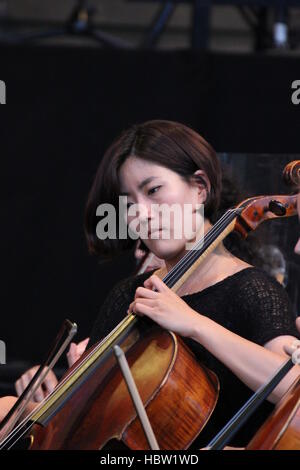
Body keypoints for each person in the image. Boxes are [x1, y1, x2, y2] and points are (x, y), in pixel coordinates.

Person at [84, 120, 300, 448]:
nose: (141, 213)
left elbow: (293, 384)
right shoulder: (129, 295)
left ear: (199, 188)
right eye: (128, 202)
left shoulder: (252, 290)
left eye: (154, 190)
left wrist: (195, 324)